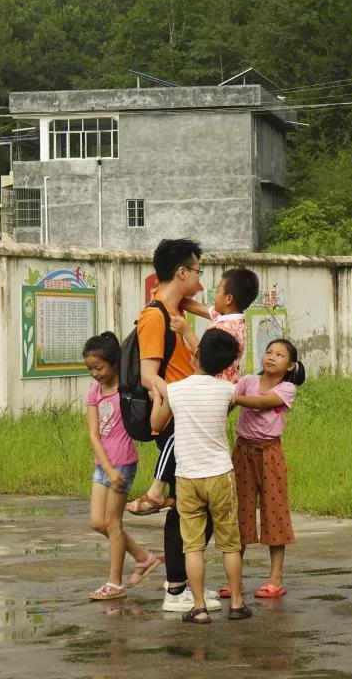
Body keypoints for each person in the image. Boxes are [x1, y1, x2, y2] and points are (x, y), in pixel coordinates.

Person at [131, 238, 221, 613]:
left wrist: (208, 310)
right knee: (187, 507)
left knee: (194, 504)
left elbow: (202, 308)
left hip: (186, 413)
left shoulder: (173, 308)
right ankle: (176, 589)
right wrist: (180, 399)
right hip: (174, 417)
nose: (201, 279)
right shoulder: (155, 317)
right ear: (181, 272)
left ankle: (182, 585)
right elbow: (149, 375)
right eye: (198, 271)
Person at [127, 267, 259, 515]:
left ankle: (156, 491)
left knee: (179, 435)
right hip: (212, 389)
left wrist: (186, 332)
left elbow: (207, 358)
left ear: (229, 298)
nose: (213, 294)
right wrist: (169, 294)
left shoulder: (230, 330)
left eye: (218, 290)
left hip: (213, 390)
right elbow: (198, 307)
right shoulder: (227, 317)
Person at [150, 328, 252, 623]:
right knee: (230, 543)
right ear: (225, 365)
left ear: (194, 354)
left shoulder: (176, 389)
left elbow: (158, 422)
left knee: (192, 546)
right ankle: (236, 603)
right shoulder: (227, 390)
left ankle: (199, 608)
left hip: (187, 477)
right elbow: (227, 407)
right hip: (220, 473)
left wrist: (159, 395)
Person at [220, 338, 304, 601]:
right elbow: (227, 406)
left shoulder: (287, 388)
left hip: (269, 452)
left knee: (274, 510)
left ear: (290, 365)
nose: (271, 357)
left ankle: (275, 578)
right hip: (243, 451)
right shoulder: (246, 382)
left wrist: (235, 397)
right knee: (239, 510)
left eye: (279, 355)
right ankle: (234, 579)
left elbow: (262, 403)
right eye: (269, 352)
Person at [82, 332, 163, 600]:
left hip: (123, 463)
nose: (95, 373)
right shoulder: (94, 393)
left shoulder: (126, 392)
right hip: (104, 465)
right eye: (90, 368)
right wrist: (106, 467)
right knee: (98, 522)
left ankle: (114, 584)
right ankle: (144, 556)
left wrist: (113, 469)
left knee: (112, 524)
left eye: (99, 367)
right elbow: (93, 434)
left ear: (115, 363)